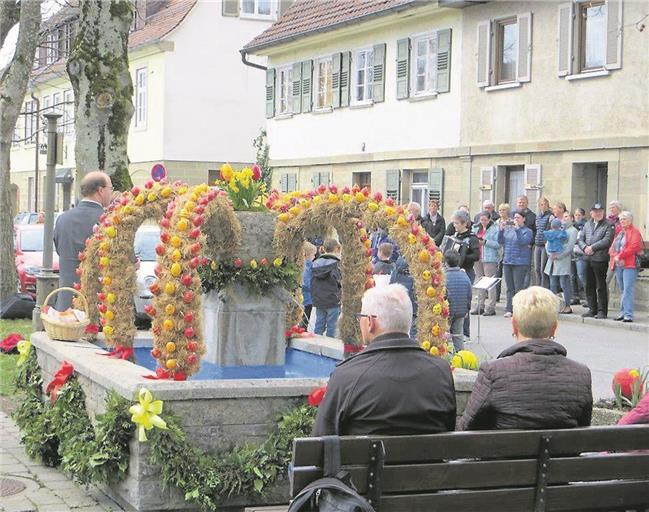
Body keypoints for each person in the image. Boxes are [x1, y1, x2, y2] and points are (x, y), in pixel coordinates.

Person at [312, 284, 456, 436]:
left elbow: (321, 441)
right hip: (430, 458)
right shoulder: (441, 372)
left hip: (369, 459)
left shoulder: (347, 377)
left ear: (370, 322)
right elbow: (448, 427)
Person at [459, 286, 592, 430]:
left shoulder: (494, 372)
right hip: (561, 452)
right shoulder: (580, 374)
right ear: (554, 328)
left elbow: (467, 428)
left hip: (508, 451)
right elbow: (582, 428)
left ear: (514, 326)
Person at [54, 171, 112, 310]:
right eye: (111, 188)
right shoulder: (108, 221)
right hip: (98, 303)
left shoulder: (63, 219)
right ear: (100, 190)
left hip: (66, 300)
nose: (111, 192)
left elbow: (60, 250)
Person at [578, 203, 615, 319]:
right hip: (587, 258)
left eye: (600, 211)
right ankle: (592, 309)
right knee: (589, 285)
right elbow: (580, 238)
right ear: (591, 213)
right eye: (595, 211)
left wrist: (592, 248)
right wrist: (584, 248)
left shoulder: (609, 224)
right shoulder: (587, 224)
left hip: (600, 259)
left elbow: (607, 240)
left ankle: (602, 311)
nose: (598, 213)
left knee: (600, 285)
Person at [449, 210, 480, 338]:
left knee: (463, 302)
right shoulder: (455, 236)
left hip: (466, 271)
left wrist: (462, 256)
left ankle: (465, 333)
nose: (454, 225)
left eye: (456, 223)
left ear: (464, 224)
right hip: (454, 271)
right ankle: (453, 332)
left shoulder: (472, 238)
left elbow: (476, 256)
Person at [609, 211, 643, 323]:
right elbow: (612, 249)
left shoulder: (635, 232)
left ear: (630, 220)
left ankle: (628, 314)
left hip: (630, 264)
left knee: (628, 289)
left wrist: (620, 256)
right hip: (619, 264)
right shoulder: (620, 233)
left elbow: (634, 247)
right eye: (621, 219)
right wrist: (616, 256)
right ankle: (623, 313)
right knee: (623, 289)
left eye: (624, 219)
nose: (622, 221)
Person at [498, 211, 533, 317]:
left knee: (519, 287)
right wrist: (501, 230)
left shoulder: (528, 231)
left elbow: (523, 242)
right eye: (515, 217)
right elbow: (500, 241)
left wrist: (517, 229)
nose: (516, 219)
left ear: (523, 219)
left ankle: (519, 309)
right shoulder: (509, 230)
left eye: (518, 217)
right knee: (510, 287)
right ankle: (509, 308)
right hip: (508, 261)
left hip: (520, 262)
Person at [545, 213, 578, 314]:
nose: (564, 219)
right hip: (552, 260)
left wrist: (558, 256)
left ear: (572, 219)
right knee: (553, 284)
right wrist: (550, 253)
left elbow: (569, 247)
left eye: (567, 217)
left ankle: (567, 306)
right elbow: (547, 243)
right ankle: (555, 305)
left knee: (564, 284)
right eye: (563, 217)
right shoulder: (555, 229)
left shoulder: (573, 231)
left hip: (563, 260)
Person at [311, 238, 342, 337]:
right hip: (333, 300)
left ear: (323, 248)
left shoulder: (315, 263)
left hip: (319, 299)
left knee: (319, 324)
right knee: (332, 326)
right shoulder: (337, 264)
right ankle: (329, 347)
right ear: (337, 248)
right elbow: (339, 281)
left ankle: (316, 345)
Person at [471, 211, 499, 316]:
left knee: (490, 282)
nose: (483, 222)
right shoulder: (475, 228)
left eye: (485, 220)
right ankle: (480, 305)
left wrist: (485, 242)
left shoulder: (495, 228)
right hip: (478, 257)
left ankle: (491, 307)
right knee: (479, 280)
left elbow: (498, 244)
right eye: (481, 220)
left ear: (489, 219)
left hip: (489, 257)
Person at [444, 250, 472, 351]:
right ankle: (461, 357)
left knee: (444, 336)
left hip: (446, 312)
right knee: (458, 335)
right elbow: (469, 295)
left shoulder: (444, 277)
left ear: (446, 262)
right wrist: (467, 310)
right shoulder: (465, 276)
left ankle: (445, 357)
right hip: (461, 311)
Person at [389, 257, 417, 338]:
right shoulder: (416, 272)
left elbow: (391, 285)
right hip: (413, 306)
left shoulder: (396, 271)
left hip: (398, 305)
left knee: (398, 329)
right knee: (414, 331)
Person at [533, 197, 553, 288]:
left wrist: (546, 241)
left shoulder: (550, 216)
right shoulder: (538, 217)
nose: (543, 206)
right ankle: (538, 286)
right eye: (541, 204)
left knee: (543, 268)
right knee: (536, 268)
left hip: (545, 244)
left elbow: (549, 229)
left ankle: (544, 287)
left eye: (545, 204)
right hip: (537, 243)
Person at [494, 203, 512, 302]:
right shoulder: (496, 222)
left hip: (507, 249)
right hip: (497, 250)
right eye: (500, 210)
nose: (501, 212)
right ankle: (496, 295)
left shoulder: (511, 222)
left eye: (504, 210)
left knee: (507, 273)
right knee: (497, 273)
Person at [300, 242, 317, 330]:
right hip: (307, 297)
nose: (314, 257)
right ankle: (302, 330)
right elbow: (306, 282)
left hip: (306, 296)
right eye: (313, 255)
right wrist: (314, 288)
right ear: (306, 255)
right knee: (305, 317)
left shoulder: (308, 265)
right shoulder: (306, 266)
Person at [572, 208, 587, 305]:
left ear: (583, 216)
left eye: (579, 215)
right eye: (576, 215)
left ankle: (587, 297)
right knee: (573, 276)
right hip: (572, 252)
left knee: (582, 275)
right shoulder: (572, 226)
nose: (577, 217)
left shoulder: (586, 226)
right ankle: (575, 296)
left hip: (581, 253)